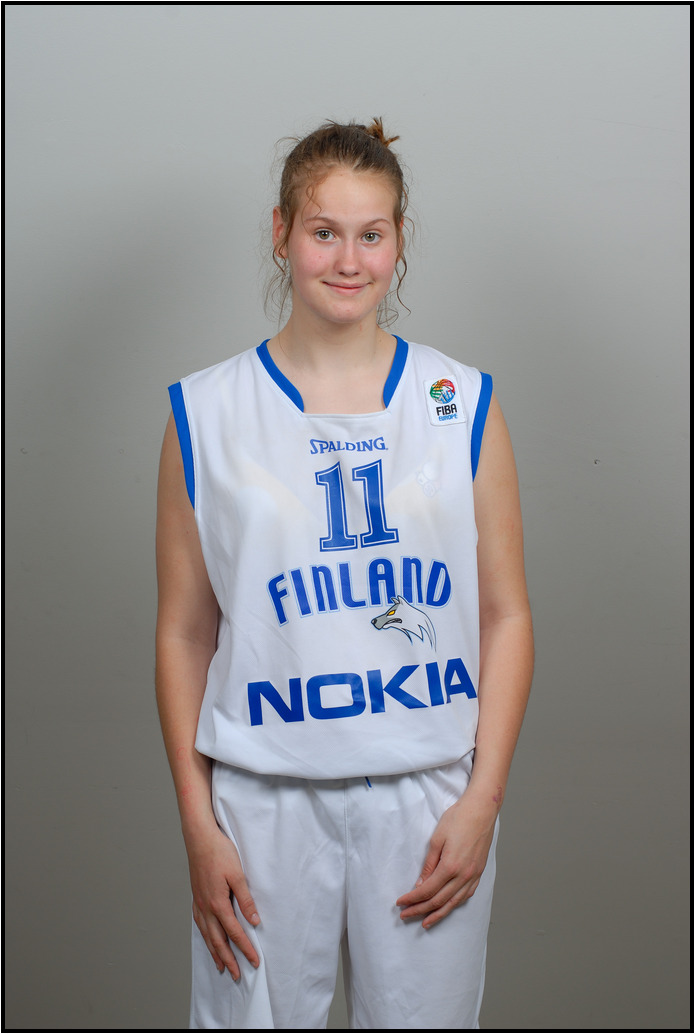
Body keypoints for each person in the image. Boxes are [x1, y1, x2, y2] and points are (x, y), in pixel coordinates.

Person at [155, 118, 533, 1031]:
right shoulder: (206, 410)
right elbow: (184, 633)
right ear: (280, 232)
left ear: (399, 242)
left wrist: (483, 800)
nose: (348, 260)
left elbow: (506, 615)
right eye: (324, 231)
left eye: (372, 234)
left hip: (427, 798)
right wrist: (199, 826)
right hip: (261, 799)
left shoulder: (459, 401)